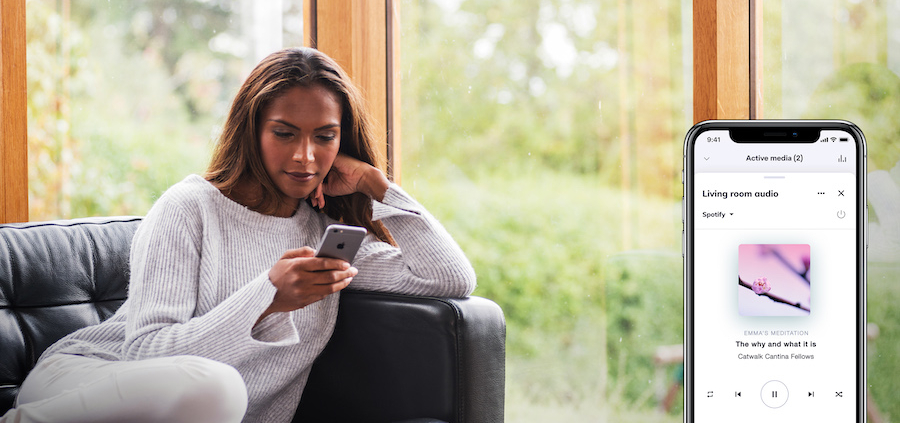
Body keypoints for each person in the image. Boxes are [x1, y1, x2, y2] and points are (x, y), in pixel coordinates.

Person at [1, 47, 476, 423]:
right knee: (219, 388)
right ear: (252, 129)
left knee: (219, 396)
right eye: (285, 133)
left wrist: (377, 185)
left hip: (204, 414)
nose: (306, 158)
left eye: (325, 137)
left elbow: (449, 278)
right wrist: (268, 297)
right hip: (87, 381)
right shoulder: (188, 208)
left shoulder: (324, 234)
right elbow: (142, 351)